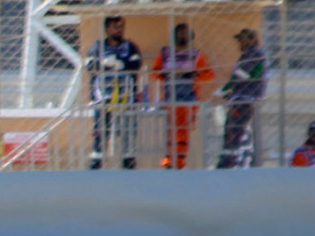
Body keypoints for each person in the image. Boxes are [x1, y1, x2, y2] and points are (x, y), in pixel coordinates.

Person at [85, 14, 145, 168]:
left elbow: (136, 63)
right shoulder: (98, 47)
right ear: (107, 29)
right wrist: (104, 64)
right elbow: (89, 65)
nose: (119, 30)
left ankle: (128, 161)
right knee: (101, 131)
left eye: (121, 27)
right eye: (115, 27)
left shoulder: (130, 47)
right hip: (103, 97)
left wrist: (121, 64)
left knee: (127, 130)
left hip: (126, 97)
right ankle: (97, 162)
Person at [151, 23, 214, 169]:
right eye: (179, 33)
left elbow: (209, 74)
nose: (182, 36)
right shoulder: (165, 54)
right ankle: (168, 160)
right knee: (170, 131)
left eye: (185, 33)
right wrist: (166, 74)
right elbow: (155, 73)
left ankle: (179, 162)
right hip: (170, 98)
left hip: (188, 98)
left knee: (183, 132)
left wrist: (194, 74)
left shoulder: (196, 54)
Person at [216, 26, 266, 168]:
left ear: (251, 40)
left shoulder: (252, 53)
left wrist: (225, 89)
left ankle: (229, 163)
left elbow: (241, 75)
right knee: (242, 132)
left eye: (242, 40)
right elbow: (250, 77)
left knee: (234, 131)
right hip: (247, 98)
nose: (240, 44)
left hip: (244, 100)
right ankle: (242, 162)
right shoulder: (257, 54)